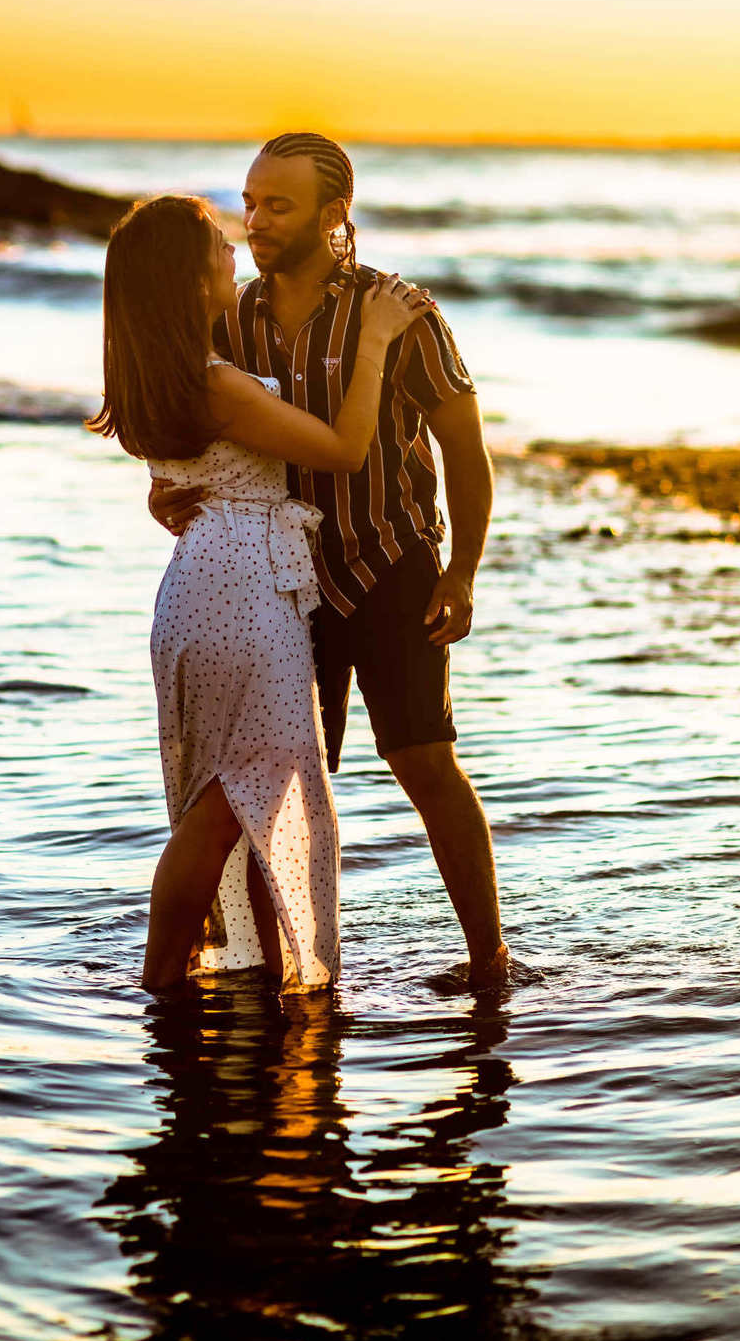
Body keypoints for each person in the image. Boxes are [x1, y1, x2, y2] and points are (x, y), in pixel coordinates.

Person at [150, 134, 508, 988]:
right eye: (250, 202)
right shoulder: (230, 317)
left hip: (392, 567)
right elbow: (188, 412)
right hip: (280, 583)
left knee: (425, 761)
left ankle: (489, 959)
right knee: (262, 783)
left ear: (333, 213)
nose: (256, 221)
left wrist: (462, 572)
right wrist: (167, 490)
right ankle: (274, 970)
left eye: (279, 205)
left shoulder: (400, 313)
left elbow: (466, 447)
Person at [88, 194, 428, 993]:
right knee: (228, 797)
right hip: (245, 590)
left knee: (231, 792)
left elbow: (181, 480)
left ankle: (255, 965)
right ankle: (161, 981)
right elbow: (344, 450)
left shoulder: (154, 379)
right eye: (216, 239)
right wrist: (375, 338)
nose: (233, 245)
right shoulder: (214, 383)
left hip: (197, 590)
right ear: (187, 273)